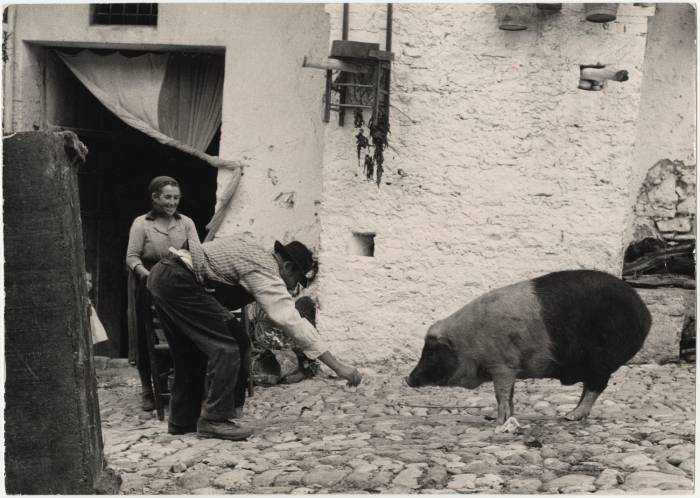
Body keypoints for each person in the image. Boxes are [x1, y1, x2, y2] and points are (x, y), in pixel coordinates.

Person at [147, 233, 363, 440]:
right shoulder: (266, 271)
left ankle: (183, 420)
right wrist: (338, 367)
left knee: (195, 352)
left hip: (163, 274)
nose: (294, 287)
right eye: (296, 280)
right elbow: (290, 321)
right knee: (228, 348)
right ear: (288, 267)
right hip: (179, 280)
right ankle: (214, 420)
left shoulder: (254, 249)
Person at [125, 176, 199, 411]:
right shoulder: (141, 223)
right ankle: (148, 389)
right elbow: (131, 257)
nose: (172, 202)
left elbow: (197, 253)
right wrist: (146, 275)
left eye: (176, 198)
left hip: (178, 282)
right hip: (147, 283)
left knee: (183, 332)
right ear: (155, 197)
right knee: (145, 336)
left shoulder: (186, 223)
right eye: (167, 197)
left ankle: (180, 385)